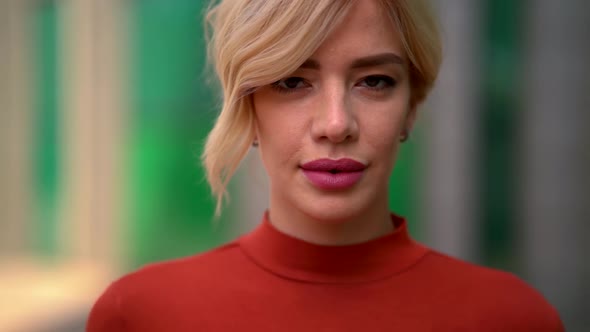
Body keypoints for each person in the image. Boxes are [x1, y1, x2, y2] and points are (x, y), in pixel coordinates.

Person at [87, 0, 564, 331]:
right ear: (247, 107)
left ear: (412, 107)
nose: (336, 125)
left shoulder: (514, 319)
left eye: (374, 81)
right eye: (293, 82)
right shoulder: (141, 316)